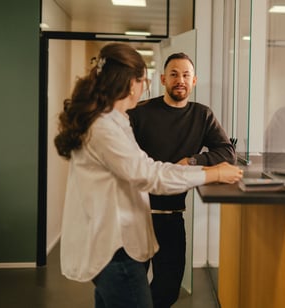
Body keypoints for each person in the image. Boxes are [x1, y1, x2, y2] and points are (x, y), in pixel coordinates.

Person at [54, 43, 243, 308]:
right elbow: (148, 175)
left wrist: (200, 165)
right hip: (114, 246)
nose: (145, 86)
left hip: (120, 238)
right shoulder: (105, 128)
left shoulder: (114, 121)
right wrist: (210, 173)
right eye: (145, 80)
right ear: (131, 83)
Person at [127, 52, 236, 308]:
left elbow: (227, 153)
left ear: (194, 80)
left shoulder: (202, 115)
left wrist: (191, 161)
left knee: (168, 289)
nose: (180, 80)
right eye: (174, 74)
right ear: (163, 79)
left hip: (172, 215)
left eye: (186, 75)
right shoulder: (139, 113)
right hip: (135, 214)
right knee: (131, 290)